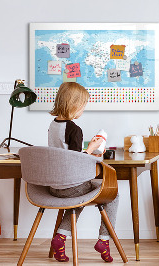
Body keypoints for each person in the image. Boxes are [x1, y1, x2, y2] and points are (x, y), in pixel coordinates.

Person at [48, 82, 118, 263]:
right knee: (113, 194)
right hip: (71, 186)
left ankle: (60, 238)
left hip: (54, 186)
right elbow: (76, 160)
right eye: (83, 106)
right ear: (74, 105)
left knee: (78, 197)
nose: (83, 110)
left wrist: (88, 149)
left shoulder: (53, 125)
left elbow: (65, 154)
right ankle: (104, 240)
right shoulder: (74, 129)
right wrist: (93, 148)